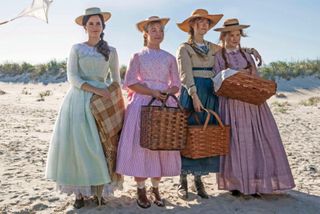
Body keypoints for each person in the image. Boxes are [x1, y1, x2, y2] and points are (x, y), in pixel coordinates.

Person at [45, 7, 121, 209]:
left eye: (98, 23)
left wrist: (110, 95)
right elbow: (73, 77)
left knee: (101, 146)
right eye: (91, 23)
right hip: (78, 100)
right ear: (85, 26)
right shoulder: (76, 49)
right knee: (79, 147)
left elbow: (116, 79)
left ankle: (99, 190)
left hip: (102, 102)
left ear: (103, 26)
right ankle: (79, 193)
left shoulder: (111, 51)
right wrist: (93, 90)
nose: (95, 27)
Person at [213, 18, 295, 197]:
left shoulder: (247, 55)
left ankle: (255, 183)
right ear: (224, 36)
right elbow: (217, 79)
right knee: (236, 143)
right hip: (231, 103)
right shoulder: (219, 56)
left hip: (252, 103)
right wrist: (233, 75)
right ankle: (236, 184)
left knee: (256, 141)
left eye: (237, 35)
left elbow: (255, 78)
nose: (235, 38)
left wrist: (248, 77)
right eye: (231, 35)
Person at [116, 16, 181, 209]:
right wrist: (152, 91)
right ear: (145, 33)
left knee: (161, 144)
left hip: (164, 104)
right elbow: (130, 82)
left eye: (160, 30)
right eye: (153, 29)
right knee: (141, 146)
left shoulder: (169, 57)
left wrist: (166, 92)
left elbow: (176, 84)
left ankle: (156, 187)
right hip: (143, 103)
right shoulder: (137, 56)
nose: (158, 33)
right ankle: (141, 188)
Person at [176, 8, 224, 200]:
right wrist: (194, 95)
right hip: (192, 92)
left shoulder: (213, 47)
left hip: (210, 92)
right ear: (192, 25)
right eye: (200, 22)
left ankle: (198, 180)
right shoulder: (184, 48)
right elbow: (185, 74)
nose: (204, 25)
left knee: (204, 134)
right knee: (188, 134)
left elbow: (230, 51)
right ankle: (182, 180)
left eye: (207, 22)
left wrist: (250, 50)